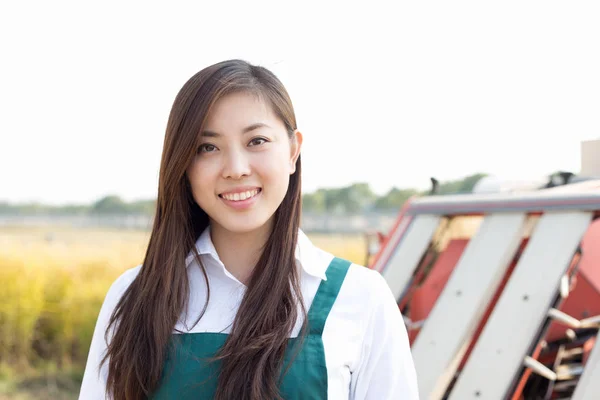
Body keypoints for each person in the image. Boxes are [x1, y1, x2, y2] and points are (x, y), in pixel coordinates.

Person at [78, 59, 419, 400]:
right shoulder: (135, 296)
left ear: (293, 151)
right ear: (183, 165)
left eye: (256, 141)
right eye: (207, 147)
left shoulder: (361, 296)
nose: (236, 169)